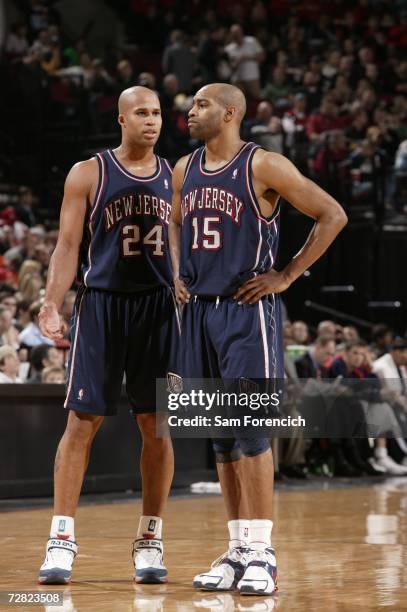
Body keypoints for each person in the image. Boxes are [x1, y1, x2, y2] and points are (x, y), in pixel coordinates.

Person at [169, 83, 347, 596]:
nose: (190, 111)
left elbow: (332, 214)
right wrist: (179, 272)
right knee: (221, 436)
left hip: (246, 312)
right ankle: (237, 548)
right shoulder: (184, 169)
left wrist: (287, 275)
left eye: (201, 105)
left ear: (230, 114)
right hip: (199, 312)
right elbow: (176, 222)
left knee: (250, 432)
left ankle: (263, 551)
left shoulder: (263, 165)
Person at [37, 86, 177, 585]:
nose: (152, 121)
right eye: (142, 112)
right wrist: (52, 301)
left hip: (160, 308)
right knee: (81, 423)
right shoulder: (89, 171)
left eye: (158, 113)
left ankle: (149, 538)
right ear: (121, 119)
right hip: (102, 305)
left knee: (156, 425)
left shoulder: (177, 176)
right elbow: (68, 244)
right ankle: (60, 538)